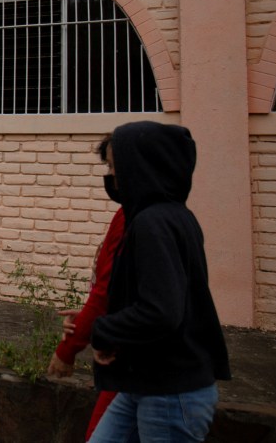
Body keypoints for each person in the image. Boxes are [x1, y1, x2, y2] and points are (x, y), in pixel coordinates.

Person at [88, 121, 231, 442]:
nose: (111, 177)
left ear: (141, 167)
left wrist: (103, 331)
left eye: (116, 167)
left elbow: (160, 311)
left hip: (170, 393)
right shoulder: (172, 216)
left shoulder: (154, 224)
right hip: (145, 382)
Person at [46, 134, 124, 441]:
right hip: (136, 367)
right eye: (109, 166)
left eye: (115, 167)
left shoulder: (142, 221)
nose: (111, 176)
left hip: (150, 373)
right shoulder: (139, 216)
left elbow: (106, 293)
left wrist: (70, 347)